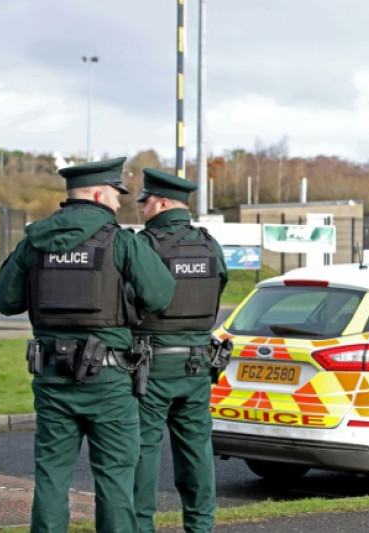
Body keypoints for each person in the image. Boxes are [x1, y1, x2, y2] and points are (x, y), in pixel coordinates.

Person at [0, 157, 176, 533]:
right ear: (98, 195)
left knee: (51, 476)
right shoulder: (121, 242)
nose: (119, 203)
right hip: (109, 382)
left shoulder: (34, 242)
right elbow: (160, 296)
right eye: (116, 195)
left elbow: (6, 301)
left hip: (52, 377)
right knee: (115, 478)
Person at [132, 168, 228, 533]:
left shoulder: (142, 245)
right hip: (198, 364)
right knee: (196, 450)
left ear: (161, 203)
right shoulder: (210, 245)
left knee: (143, 451)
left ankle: (141, 526)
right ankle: (200, 527)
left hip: (151, 366)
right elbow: (218, 287)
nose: (141, 208)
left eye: (145, 202)